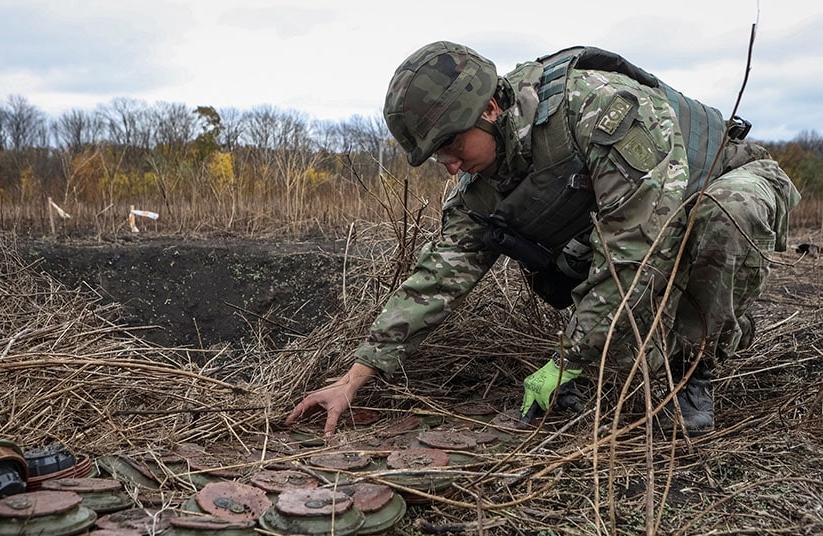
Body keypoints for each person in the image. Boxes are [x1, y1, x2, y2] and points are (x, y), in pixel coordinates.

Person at [286, 41, 801, 437]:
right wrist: (355, 376)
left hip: (720, 182)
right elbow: (437, 279)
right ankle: (624, 360)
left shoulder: (600, 110)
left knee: (726, 215)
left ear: (490, 109)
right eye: (435, 156)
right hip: (640, 221)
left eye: (449, 145)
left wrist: (565, 364)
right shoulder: (477, 188)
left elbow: (637, 258)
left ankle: (693, 368)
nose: (449, 165)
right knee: (568, 261)